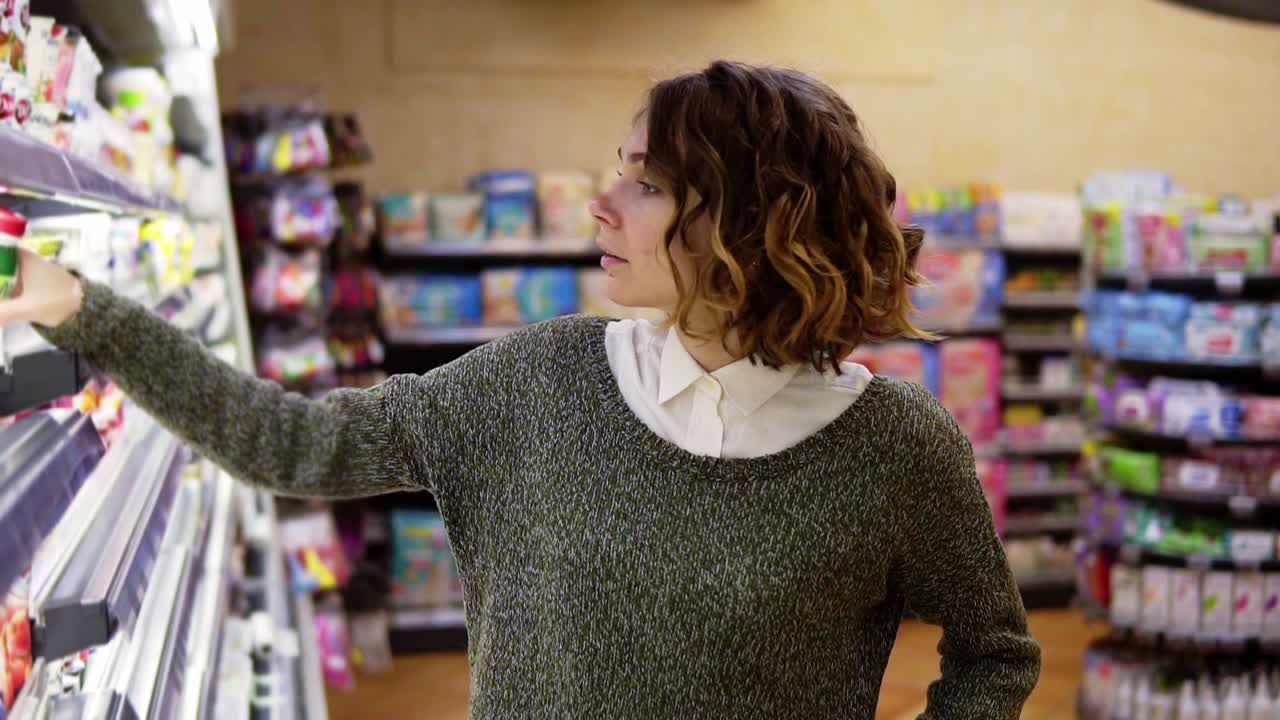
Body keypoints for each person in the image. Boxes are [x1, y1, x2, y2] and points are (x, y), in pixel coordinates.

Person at [2, 61, 1040, 718]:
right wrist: (79, 307)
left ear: (749, 219)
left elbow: (993, 656)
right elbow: (295, 444)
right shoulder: (538, 383)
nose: (601, 204)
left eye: (643, 181)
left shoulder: (896, 447)